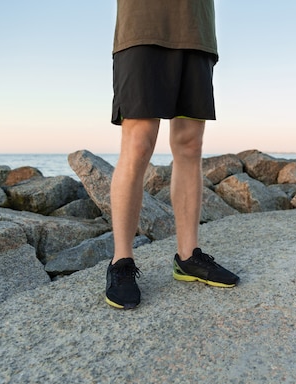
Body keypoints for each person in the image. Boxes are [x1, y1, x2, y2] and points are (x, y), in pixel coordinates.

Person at [105, 0, 240, 310]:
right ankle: (121, 260)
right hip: (141, 24)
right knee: (138, 141)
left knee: (190, 143)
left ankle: (188, 255)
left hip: (196, 28)